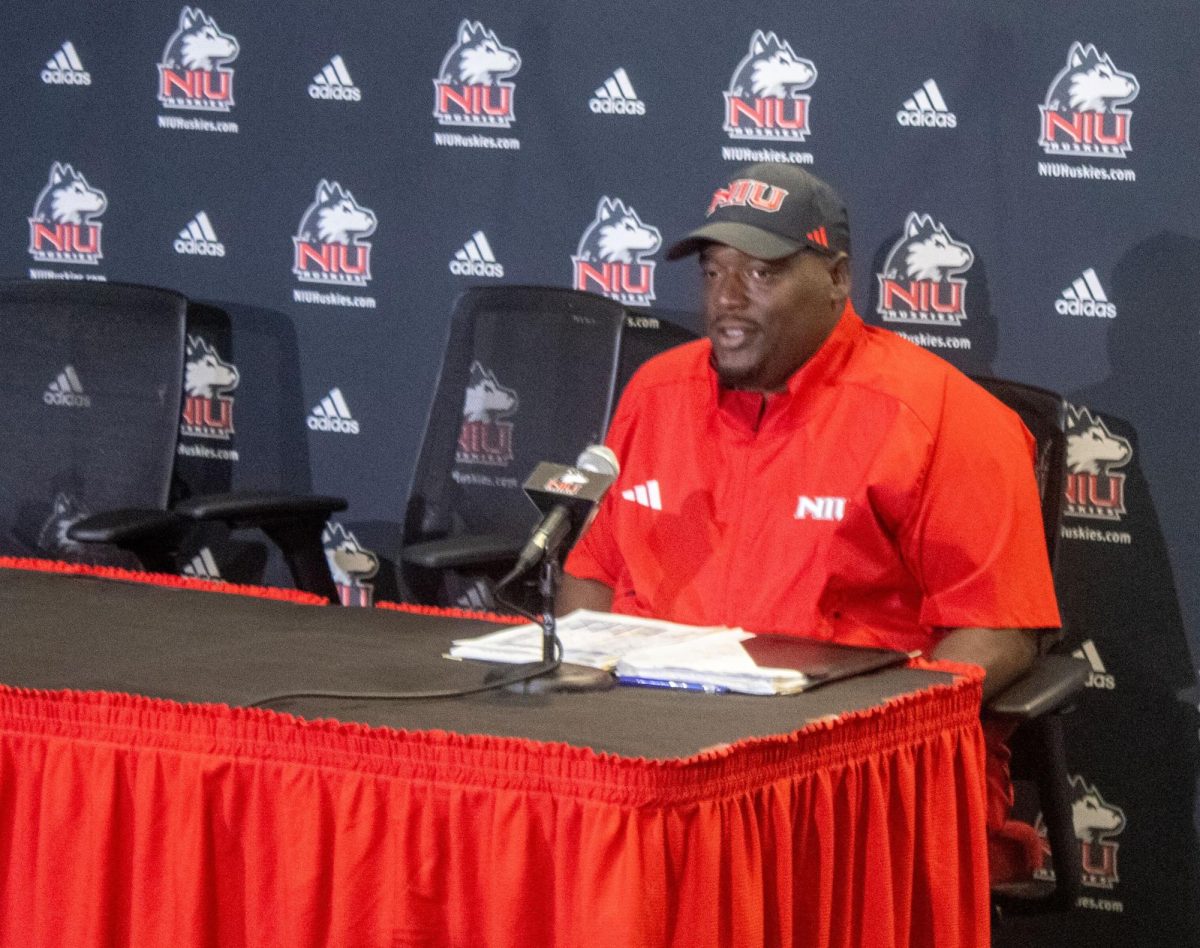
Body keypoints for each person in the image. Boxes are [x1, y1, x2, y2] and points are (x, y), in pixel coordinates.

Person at [558, 162, 1061, 881]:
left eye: (760, 274)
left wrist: (865, 737)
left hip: (843, 771)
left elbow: (1000, 628)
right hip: (658, 757)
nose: (726, 302)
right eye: (711, 273)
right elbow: (591, 575)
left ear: (836, 277)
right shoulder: (656, 393)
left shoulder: (942, 417)